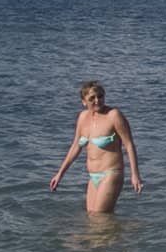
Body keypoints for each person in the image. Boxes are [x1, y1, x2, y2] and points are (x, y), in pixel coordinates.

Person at [49, 81, 142, 214]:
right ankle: (118, 234)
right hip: (93, 176)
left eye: (100, 96)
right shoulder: (82, 117)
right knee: (92, 216)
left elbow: (129, 145)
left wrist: (135, 175)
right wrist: (60, 174)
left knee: (99, 218)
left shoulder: (114, 116)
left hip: (111, 173)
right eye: (92, 98)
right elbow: (76, 146)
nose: (97, 101)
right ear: (83, 101)